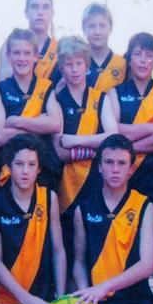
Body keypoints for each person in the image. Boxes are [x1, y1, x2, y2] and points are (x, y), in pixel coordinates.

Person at [71, 134, 153, 304]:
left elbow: (147, 265)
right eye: (109, 162)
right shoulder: (84, 207)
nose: (115, 169)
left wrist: (104, 287)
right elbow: (79, 262)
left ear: (131, 169)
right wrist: (87, 294)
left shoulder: (144, 206)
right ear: (99, 166)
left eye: (121, 163)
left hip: (134, 303)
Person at [0, 134, 66, 304]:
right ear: (9, 166)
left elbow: (58, 250)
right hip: (8, 300)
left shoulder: (48, 198)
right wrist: (25, 299)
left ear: (39, 169)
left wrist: (60, 299)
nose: (25, 171)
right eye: (19, 164)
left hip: (42, 300)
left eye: (31, 165)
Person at [53, 36, 119, 279]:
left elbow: (112, 138)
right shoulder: (56, 99)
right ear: (61, 67)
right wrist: (94, 148)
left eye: (79, 63)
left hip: (96, 185)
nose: (74, 69)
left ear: (87, 65)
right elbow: (59, 149)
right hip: (67, 188)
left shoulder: (100, 98)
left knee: (95, 250)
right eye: (68, 64)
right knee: (71, 252)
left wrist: (76, 142)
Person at [108, 32, 153, 216]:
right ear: (129, 58)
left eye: (149, 56)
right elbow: (113, 131)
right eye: (137, 54)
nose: (143, 61)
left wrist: (130, 149)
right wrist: (151, 129)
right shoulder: (114, 93)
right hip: (126, 181)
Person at [0, 29, 63, 191]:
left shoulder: (45, 86)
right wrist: (39, 125)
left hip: (43, 167)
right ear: (8, 56)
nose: (22, 58)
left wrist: (16, 121)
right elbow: (0, 136)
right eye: (17, 53)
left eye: (27, 53)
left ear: (36, 56)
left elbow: (55, 124)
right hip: (9, 168)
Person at [0, 0, 60, 83]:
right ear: (26, 12)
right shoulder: (9, 46)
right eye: (35, 7)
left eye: (45, 7)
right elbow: (4, 89)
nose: (40, 12)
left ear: (52, 13)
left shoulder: (59, 49)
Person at [81, 3, 126, 92]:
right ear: (84, 29)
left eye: (102, 26)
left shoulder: (122, 64)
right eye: (91, 26)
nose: (97, 32)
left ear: (111, 28)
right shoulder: (76, 63)